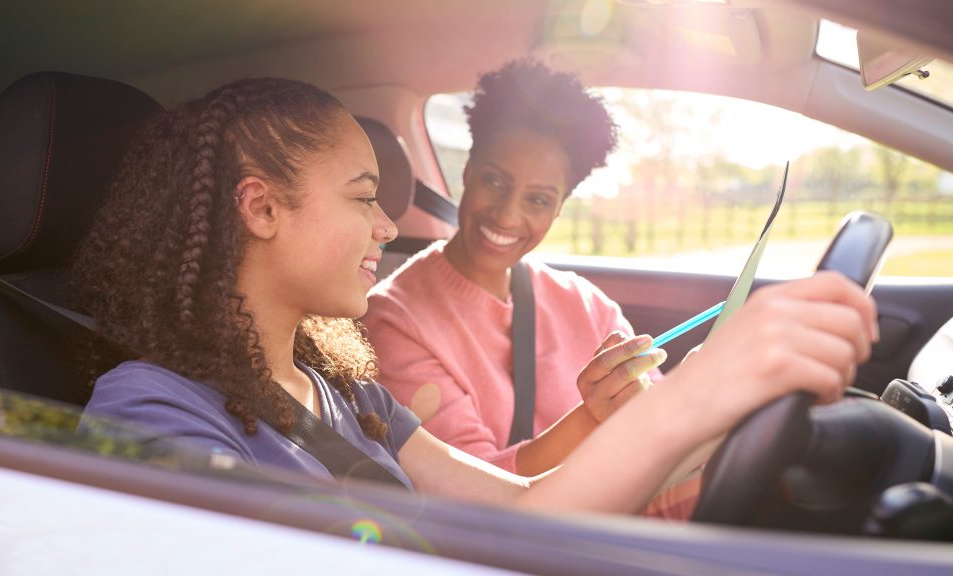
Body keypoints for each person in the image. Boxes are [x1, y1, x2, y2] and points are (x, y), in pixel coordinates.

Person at [75, 76, 877, 516]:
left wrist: (698, 401)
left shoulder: (352, 397)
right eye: (362, 197)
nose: (389, 224)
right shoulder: (149, 407)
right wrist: (700, 393)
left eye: (541, 197)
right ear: (261, 209)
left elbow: (519, 510)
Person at [362, 60, 691, 515]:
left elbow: (661, 428)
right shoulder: (392, 320)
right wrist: (593, 416)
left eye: (537, 199)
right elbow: (476, 491)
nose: (507, 215)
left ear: (558, 209)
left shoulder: (585, 303)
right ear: (468, 170)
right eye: (494, 181)